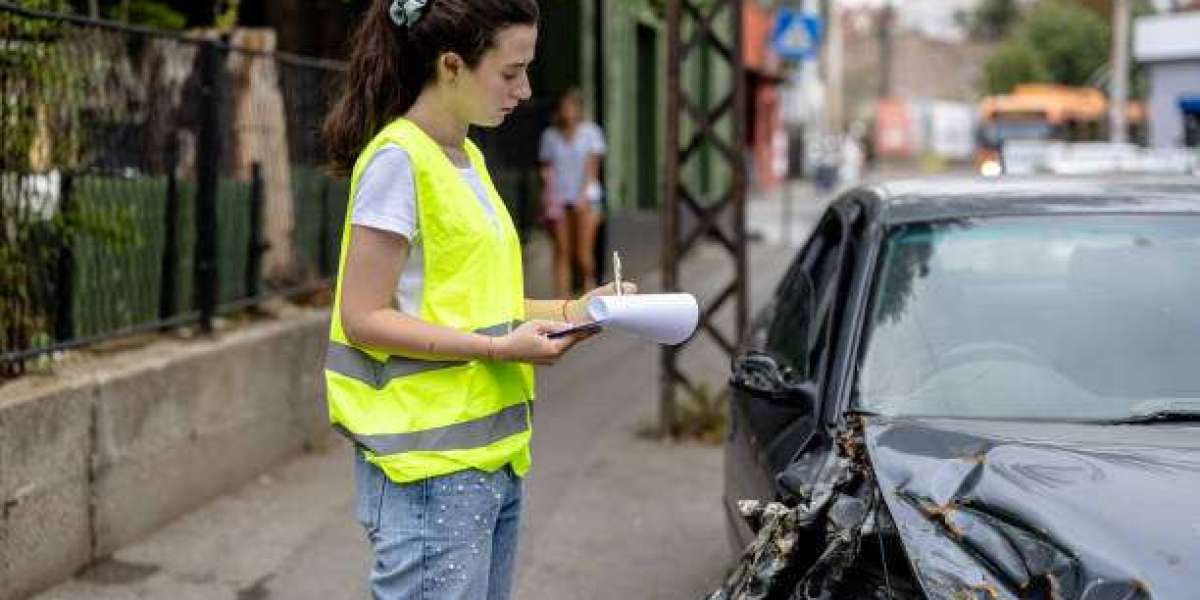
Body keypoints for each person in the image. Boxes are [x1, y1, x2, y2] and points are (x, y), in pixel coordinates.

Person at [320, 1, 633, 598]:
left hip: (491, 463)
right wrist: (495, 350)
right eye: (511, 72)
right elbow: (362, 318)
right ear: (451, 66)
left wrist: (578, 309)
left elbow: (479, 302)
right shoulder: (398, 160)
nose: (525, 89)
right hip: (428, 474)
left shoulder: (467, 158)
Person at [539, 88, 607, 297]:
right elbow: (546, 166)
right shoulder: (550, 135)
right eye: (563, 107)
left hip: (587, 198)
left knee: (583, 254)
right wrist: (549, 194)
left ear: (579, 109)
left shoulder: (591, 132)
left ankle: (590, 295)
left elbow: (592, 167)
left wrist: (583, 196)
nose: (567, 111)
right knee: (562, 251)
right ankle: (562, 301)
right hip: (559, 199)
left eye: (571, 106)